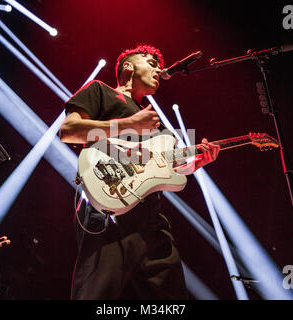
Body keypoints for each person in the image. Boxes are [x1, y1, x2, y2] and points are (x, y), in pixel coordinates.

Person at [60, 44, 220, 299]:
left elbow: (174, 167)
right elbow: (69, 132)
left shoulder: (158, 125)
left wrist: (198, 161)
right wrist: (129, 124)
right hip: (109, 202)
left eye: (159, 65)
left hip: (151, 217)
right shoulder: (100, 91)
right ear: (128, 66)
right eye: (151, 63)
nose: (158, 69)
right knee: (97, 292)